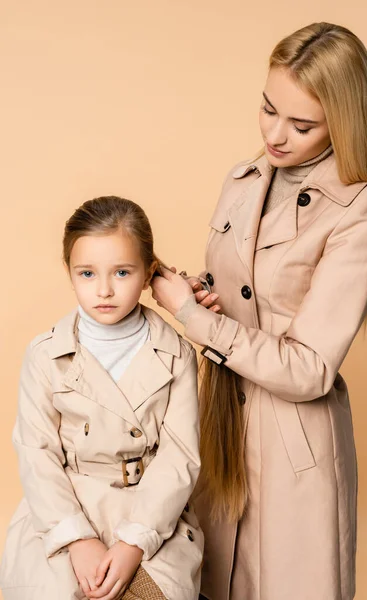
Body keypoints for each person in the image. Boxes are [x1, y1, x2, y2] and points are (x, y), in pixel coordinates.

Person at [151, 22, 367, 600]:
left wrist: (194, 317)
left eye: (302, 124)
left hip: (295, 448)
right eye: (268, 109)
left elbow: (311, 368)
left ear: (344, 120)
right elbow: (245, 297)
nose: (276, 135)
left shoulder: (364, 209)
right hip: (220, 427)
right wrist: (200, 293)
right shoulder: (243, 180)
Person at [0, 196, 203, 600]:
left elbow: (181, 457)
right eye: (88, 273)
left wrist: (133, 544)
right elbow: (36, 453)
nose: (104, 290)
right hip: (63, 512)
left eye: (122, 272)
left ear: (148, 274)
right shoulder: (45, 354)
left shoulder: (177, 353)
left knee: (151, 592)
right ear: (69, 273)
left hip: (151, 515)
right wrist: (77, 540)